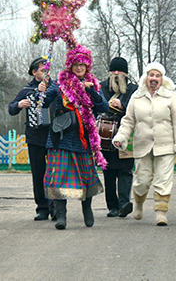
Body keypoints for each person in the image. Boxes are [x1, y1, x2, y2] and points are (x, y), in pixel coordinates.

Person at [38, 45, 108, 230]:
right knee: (59, 177)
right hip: (60, 137)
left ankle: (87, 209)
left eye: (82, 65)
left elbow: (104, 107)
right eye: (75, 65)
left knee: (86, 175)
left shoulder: (94, 84)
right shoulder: (60, 83)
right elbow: (43, 102)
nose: (78, 68)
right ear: (70, 66)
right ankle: (61, 215)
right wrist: (42, 90)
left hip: (84, 138)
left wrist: (91, 91)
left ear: (87, 67)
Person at [113, 62, 176, 226]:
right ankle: (138, 203)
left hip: (165, 145)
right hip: (143, 145)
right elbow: (128, 121)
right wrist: (121, 136)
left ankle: (161, 212)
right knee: (143, 180)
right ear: (146, 77)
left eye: (158, 76)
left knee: (163, 180)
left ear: (162, 79)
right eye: (151, 75)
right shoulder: (136, 96)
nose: (154, 79)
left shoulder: (170, 95)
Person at [9, 57, 55, 221]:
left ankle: (55, 207)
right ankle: (42, 208)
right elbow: (11, 108)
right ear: (34, 72)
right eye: (42, 70)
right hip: (35, 136)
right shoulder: (27, 90)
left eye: (47, 70)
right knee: (38, 173)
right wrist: (20, 104)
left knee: (55, 172)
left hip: (54, 136)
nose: (45, 73)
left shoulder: (56, 87)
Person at [99, 57, 138, 218]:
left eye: (119, 70)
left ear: (126, 73)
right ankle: (112, 206)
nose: (116, 73)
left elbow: (138, 110)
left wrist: (123, 107)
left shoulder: (134, 90)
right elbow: (96, 106)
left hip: (127, 135)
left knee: (125, 170)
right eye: (113, 70)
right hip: (105, 136)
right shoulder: (101, 87)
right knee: (108, 171)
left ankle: (123, 203)